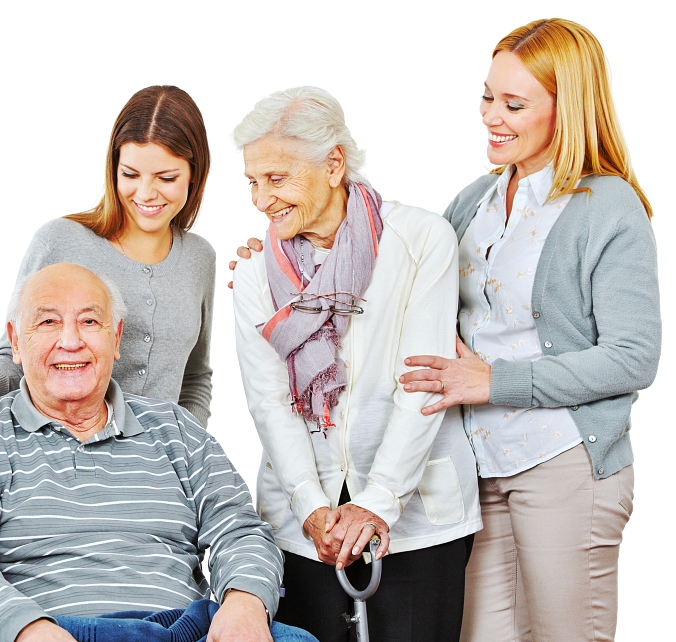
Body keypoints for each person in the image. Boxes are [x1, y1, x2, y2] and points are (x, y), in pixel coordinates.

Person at [231, 18, 659, 642]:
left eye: (515, 104)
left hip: (562, 461)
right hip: (480, 470)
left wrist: (496, 381)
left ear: (567, 111)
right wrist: (279, 265)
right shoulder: (475, 203)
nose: (493, 116)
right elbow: (385, 275)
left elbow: (633, 359)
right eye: (489, 97)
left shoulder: (608, 206)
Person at [0, 263, 318, 642]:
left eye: (89, 321)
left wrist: (245, 603)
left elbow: (239, 531)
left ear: (116, 337)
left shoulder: (176, 430)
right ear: (16, 341)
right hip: (50, 628)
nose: (70, 342)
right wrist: (26, 630)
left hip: (185, 627)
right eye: (48, 321)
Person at [229, 86, 482, 642]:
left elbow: (422, 383)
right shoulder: (251, 274)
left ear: (334, 164)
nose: (262, 200)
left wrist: (377, 502)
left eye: (277, 179)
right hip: (300, 525)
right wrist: (312, 506)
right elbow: (269, 404)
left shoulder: (420, 238)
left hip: (419, 523)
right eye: (253, 181)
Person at [0, 85, 216, 456]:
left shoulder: (200, 257)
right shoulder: (59, 240)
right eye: (130, 174)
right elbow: (18, 346)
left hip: (158, 471)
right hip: (59, 458)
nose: (145, 193)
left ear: (194, 174)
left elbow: (196, 377)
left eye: (166, 178)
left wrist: (184, 448)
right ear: (112, 167)